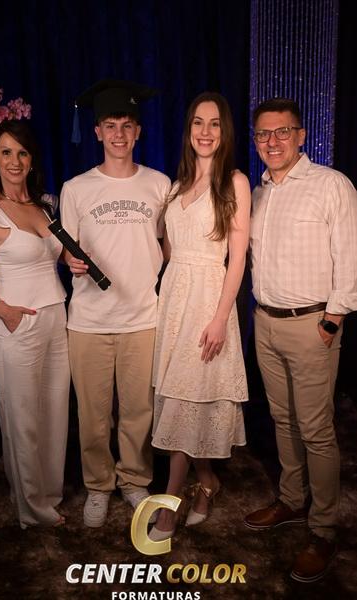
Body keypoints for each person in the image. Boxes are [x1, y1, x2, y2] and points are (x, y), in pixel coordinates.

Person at [245, 98, 357, 583]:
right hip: (265, 322)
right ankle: (292, 500)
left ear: (301, 136)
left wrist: (332, 321)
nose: (272, 142)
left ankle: (324, 529)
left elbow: (350, 257)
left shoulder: (331, 185)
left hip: (312, 325)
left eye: (282, 132)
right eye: (263, 134)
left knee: (316, 429)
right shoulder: (259, 192)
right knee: (282, 418)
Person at [60, 79, 171, 528]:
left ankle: (134, 479)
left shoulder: (159, 184)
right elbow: (66, 249)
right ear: (97, 132)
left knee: (138, 410)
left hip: (142, 316)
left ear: (138, 132)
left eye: (127, 125)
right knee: (92, 414)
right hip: (88, 319)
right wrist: (68, 259)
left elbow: (166, 244)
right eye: (110, 125)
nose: (119, 134)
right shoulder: (76, 189)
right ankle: (98, 485)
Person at [0, 120, 70, 529]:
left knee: (54, 413)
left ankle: (49, 495)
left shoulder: (45, 206)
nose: (15, 160)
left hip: (56, 318)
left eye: (22, 152)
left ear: (31, 158)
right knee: (22, 419)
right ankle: (31, 508)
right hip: (15, 324)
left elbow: (56, 256)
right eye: (6, 152)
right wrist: (1, 309)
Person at [150, 92, 250, 540]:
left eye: (214, 124)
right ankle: (207, 481)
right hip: (174, 301)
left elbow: (238, 257)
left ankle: (168, 508)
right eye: (197, 122)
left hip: (209, 302)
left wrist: (220, 317)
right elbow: (167, 254)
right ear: (188, 129)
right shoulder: (175, 188)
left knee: (185, 403)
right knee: (185, 400)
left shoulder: (235, 182)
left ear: (224, 132)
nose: (205, 132)